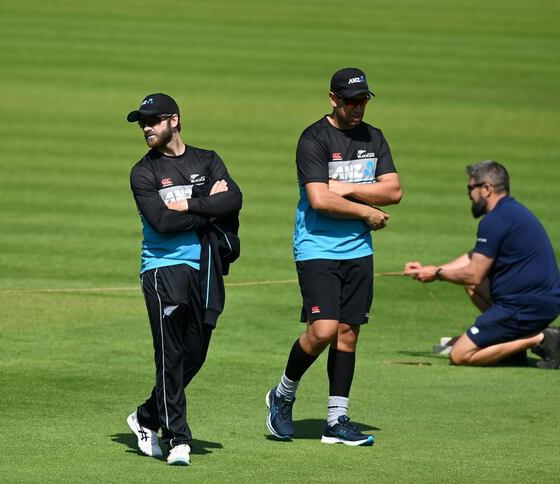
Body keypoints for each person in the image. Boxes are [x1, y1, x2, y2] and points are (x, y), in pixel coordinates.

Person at [265, 68, 402, 446]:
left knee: (348, 334)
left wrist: (344, 186)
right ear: (333, 99)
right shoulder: (314, 138)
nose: (358, 108)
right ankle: (283, 394)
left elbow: (394, 190)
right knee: (323, 330)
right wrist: (365, 210)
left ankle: (336, 421)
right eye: (350, 101)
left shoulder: (374, 137)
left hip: (358, 251)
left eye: (363, 101)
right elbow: (319, 199)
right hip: (316, 247)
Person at [125, 93, 242, 465]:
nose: (146, 127)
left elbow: (234, 200)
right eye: (142, 122)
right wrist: (208, 205)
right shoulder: (142, 172)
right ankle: (177, 438)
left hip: (205, 270)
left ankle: (145, 416)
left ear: (173, 120)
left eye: (153, 120)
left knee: (195, 353)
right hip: (162, 269)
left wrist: (189, 204)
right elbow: (162, 222)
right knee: (171, 354)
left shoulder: (207, 160)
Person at [404, 160, 560, 369]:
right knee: (471, 288)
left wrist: (439, 273)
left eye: (471, 188)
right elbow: (475, 257)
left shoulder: (495, 220)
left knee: (460, 355)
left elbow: (473, 274)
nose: (469, 194)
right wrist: (432, 271)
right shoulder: (511, 212)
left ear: (486, 189)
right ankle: (511, 347)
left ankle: (539, 339)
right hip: (540, 301)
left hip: (523, 307)